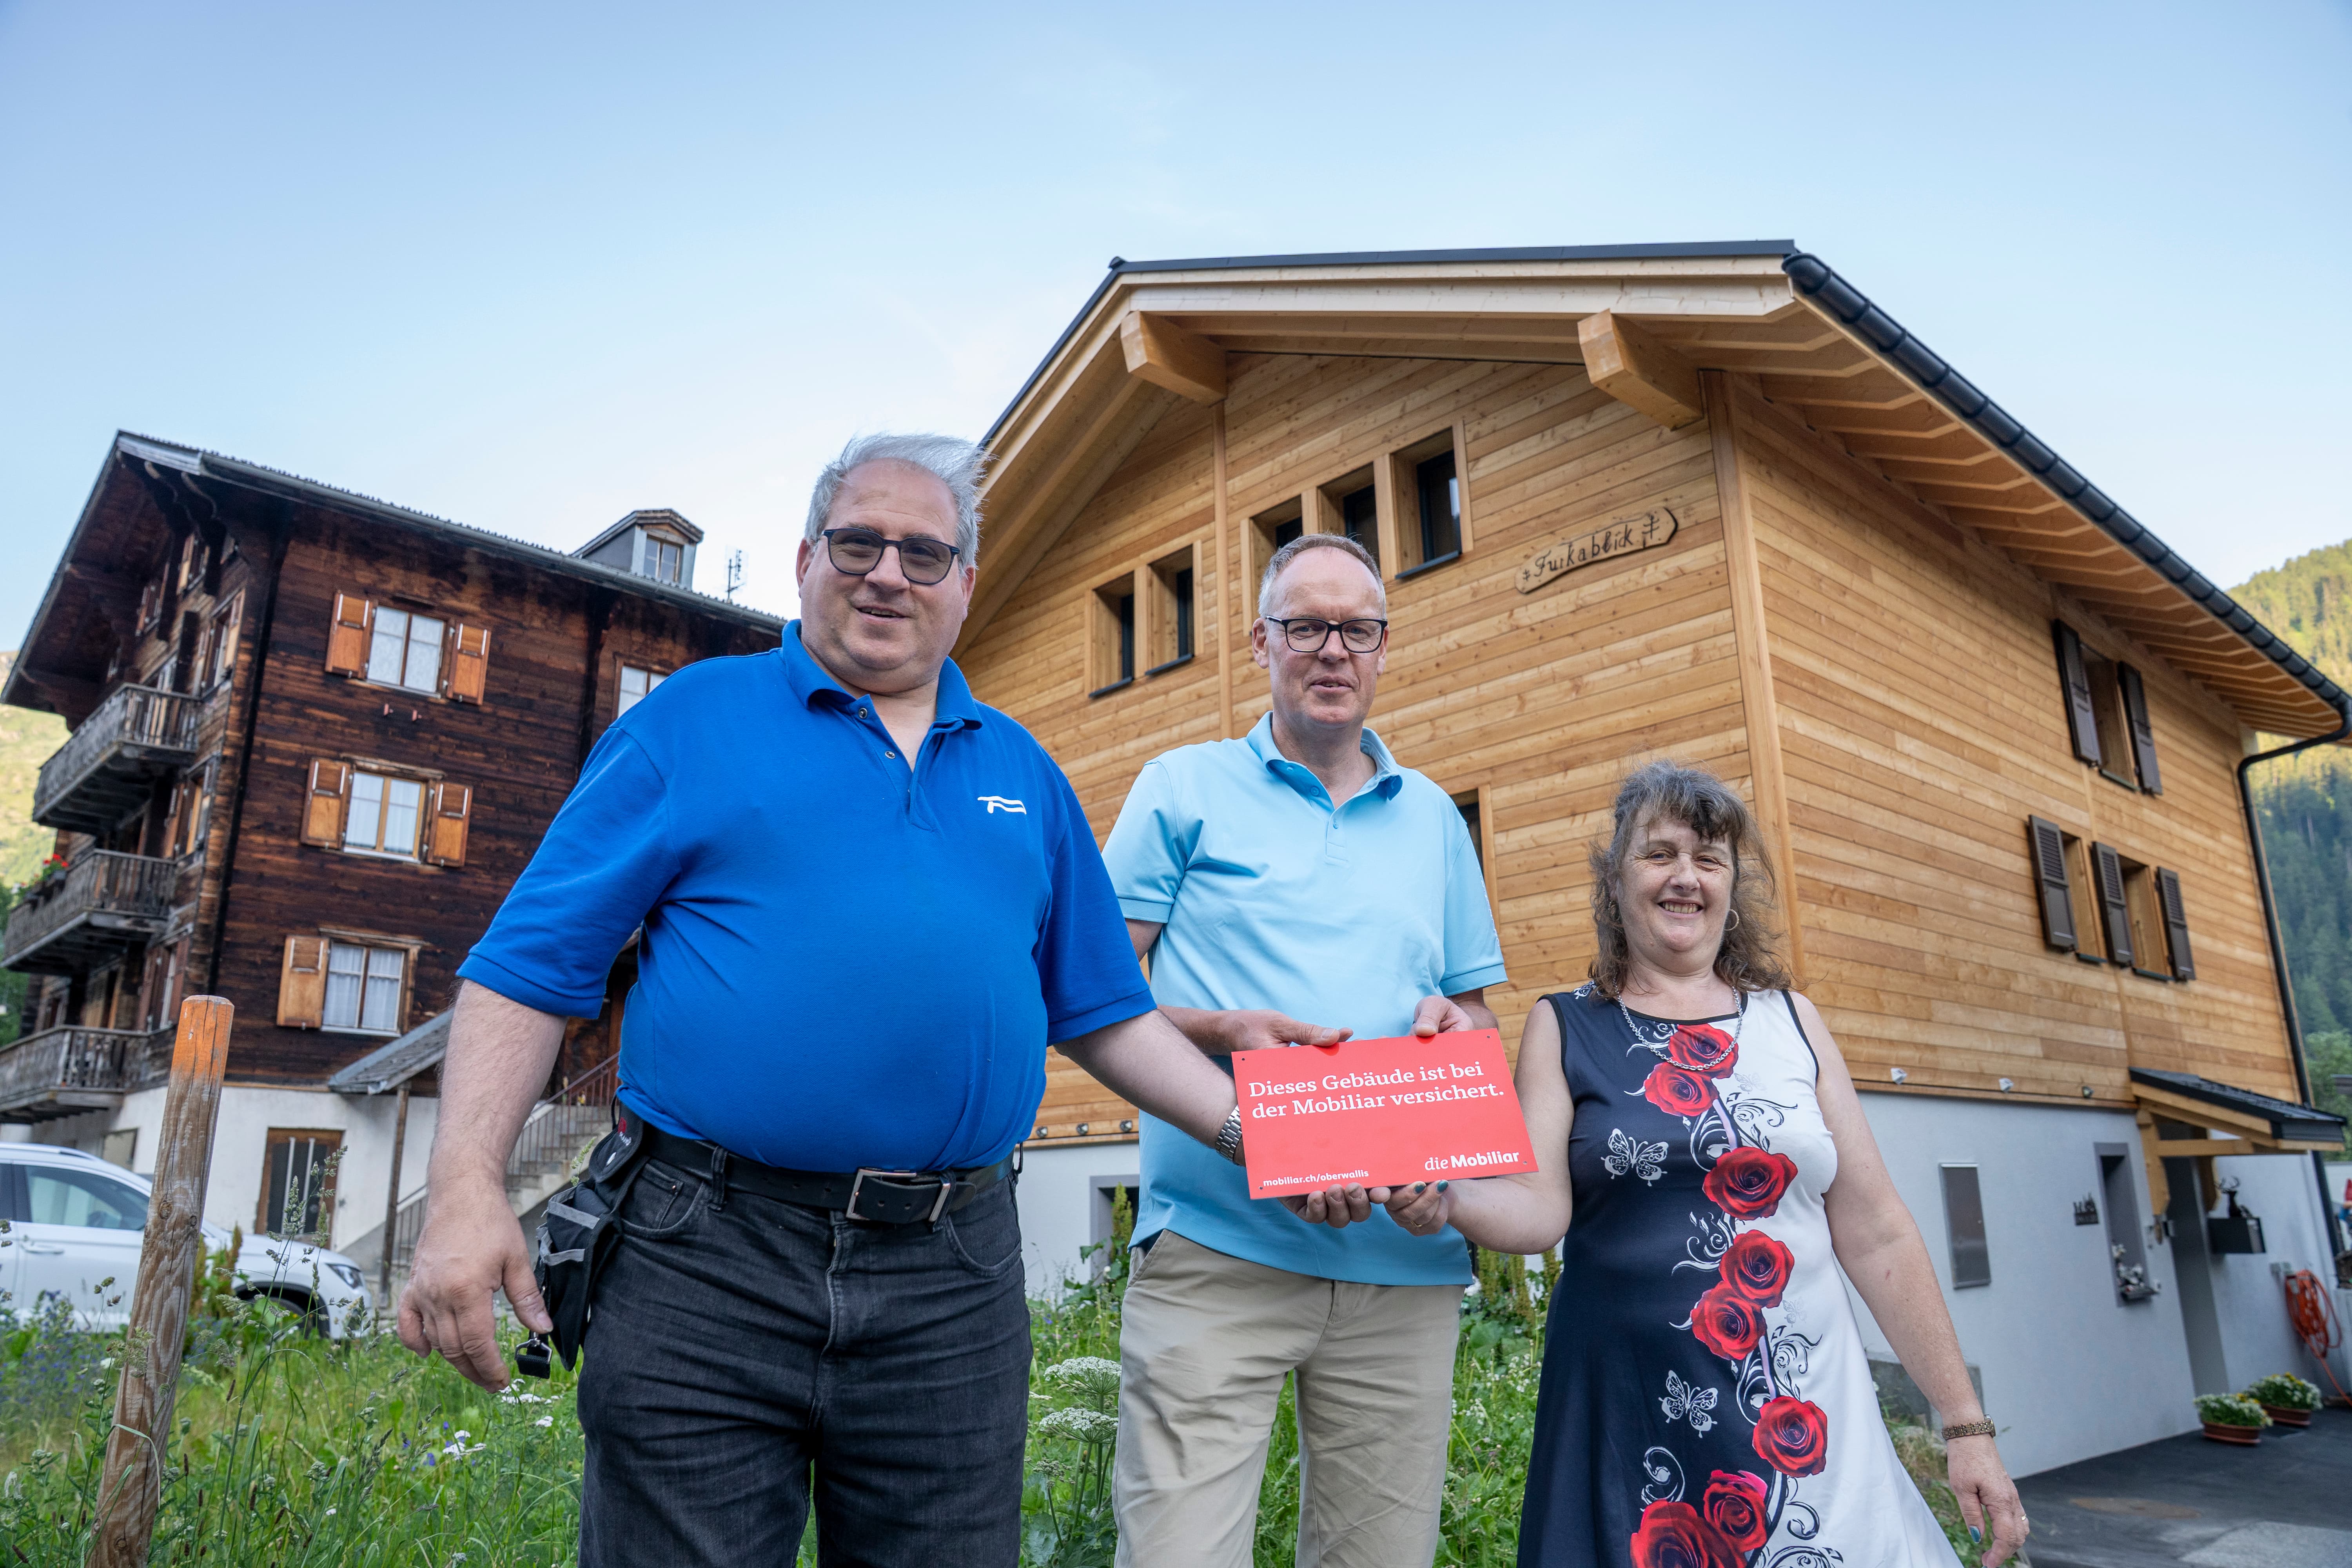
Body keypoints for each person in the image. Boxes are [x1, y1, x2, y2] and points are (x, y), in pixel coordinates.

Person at [397, 433, 1247, 1568]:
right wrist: (463, 1193)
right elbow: (527, 969)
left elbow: (1106, 1012)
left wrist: (1262, 1131)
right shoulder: (691, 722)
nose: (889, 573)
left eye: (925, 554)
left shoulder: (1023, 771)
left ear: (967, 586)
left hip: (953, 1280)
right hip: (707, 1257)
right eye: (860, 542)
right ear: (806, 559)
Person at [1383, 760, 2030, 1568]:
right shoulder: (1565, 1027)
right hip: (1631, 1420)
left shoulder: (1793, 1022)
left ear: (1731, 885)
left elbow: (1879, 1231)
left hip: (1803, 1414)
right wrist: (1447, 1197)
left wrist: (1965, 1425)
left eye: (1709, 858)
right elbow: (1538, 1209)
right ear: (1615, 880)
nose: (1685, 876)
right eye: (1659, 854)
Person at [1101, 532, 1509, 1568]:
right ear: (1260, 642)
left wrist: (1445, 1152)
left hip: (1402, 1264)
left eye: (1357, 630)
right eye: (1307, 627)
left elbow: (1476, 1023)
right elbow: (1091, 994)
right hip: (1218, 1247)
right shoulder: (1178, 788)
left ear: (1383, 647)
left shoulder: (1432, 820)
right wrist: (1230, 1034)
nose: (1333, 650)